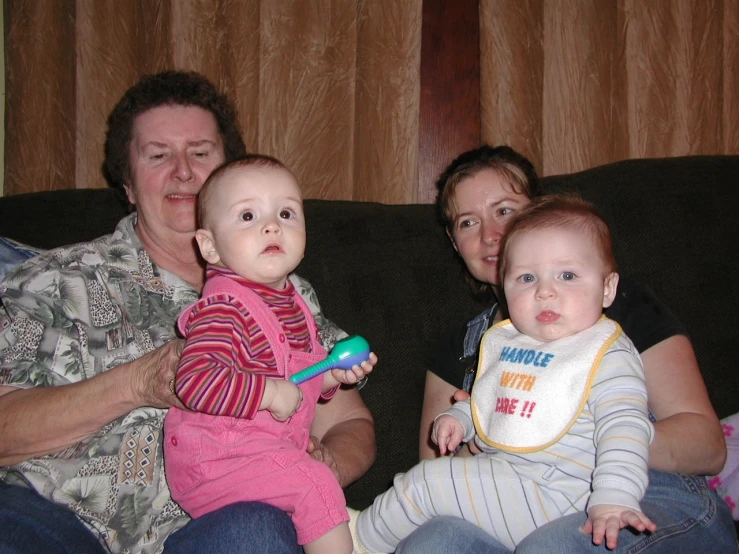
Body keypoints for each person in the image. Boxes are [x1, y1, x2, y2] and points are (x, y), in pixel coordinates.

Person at [0, 71, 375, 554]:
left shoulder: (287, 293)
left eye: (201, 153)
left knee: (257, 533)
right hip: (57, 519)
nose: (182, 172)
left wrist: (320, 469)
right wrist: (135, 383)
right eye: (158, 155)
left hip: (215, 527)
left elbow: (352, 423)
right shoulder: (54, 277)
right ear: (129, 185)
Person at [397, 145, 736, 553]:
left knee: (551, 547)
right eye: (469, 222)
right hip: (515, 507)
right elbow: (436, 475)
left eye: (504, 210)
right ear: (455, 243)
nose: (490, 235)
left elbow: (707, 444)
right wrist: (486, 436)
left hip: (650, 496)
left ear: (539, 211)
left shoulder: (616, 303)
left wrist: (586, 437)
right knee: (432, 544)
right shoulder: (460, 348)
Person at [350, 195, 656, 552]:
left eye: (568, 275)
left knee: (425, 485)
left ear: (607, 288)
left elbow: (626, 427)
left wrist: (616, 496)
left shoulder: (607, 354)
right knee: (431, 502)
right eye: (527, 277)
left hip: (566, 496)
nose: (545, 291)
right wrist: (459, 418)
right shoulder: (512, 344)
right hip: (513, 485)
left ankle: (357, 541)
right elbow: (493, 401)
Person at [164, 154, 376, 553]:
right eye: (247, 216)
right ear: (209, 246)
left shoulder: (294, 303)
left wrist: (331, 375)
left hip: (255, 455)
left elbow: (298, 376)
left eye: (286, 212)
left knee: (313, 482)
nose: (271, 224)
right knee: (314, 483)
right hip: (214, 460)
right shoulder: (225, 307)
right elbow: (193, 381)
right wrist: (268, 393)